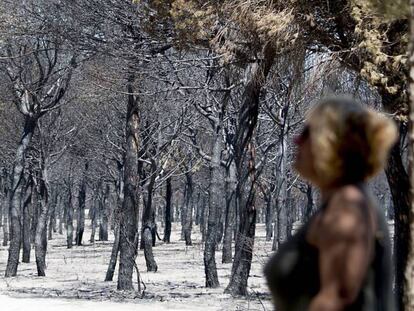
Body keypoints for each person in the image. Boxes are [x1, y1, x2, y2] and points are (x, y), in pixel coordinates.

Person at [264, 97, 397, 311]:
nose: (297, 140)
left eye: (307, 132)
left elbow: (335, 300)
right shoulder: (342, 203)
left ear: (329, 142)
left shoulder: (348, 208)